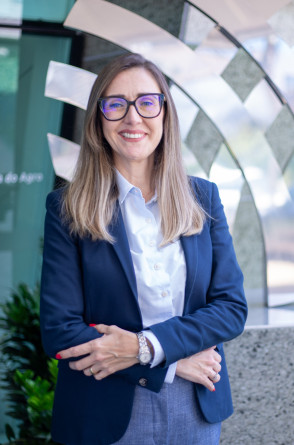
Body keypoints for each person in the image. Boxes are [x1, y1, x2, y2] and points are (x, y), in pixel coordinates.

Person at [40, 52, 247, 445]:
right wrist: (168, 362)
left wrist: (145, 346)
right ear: (99, 121)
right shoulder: (67, 208)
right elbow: (59, 330)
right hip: (103, 409)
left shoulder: (203, 197)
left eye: (147, 103)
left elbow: (230, 308)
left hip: (196, 407)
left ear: (165, 114)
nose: (133, 118)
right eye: (116, 105)